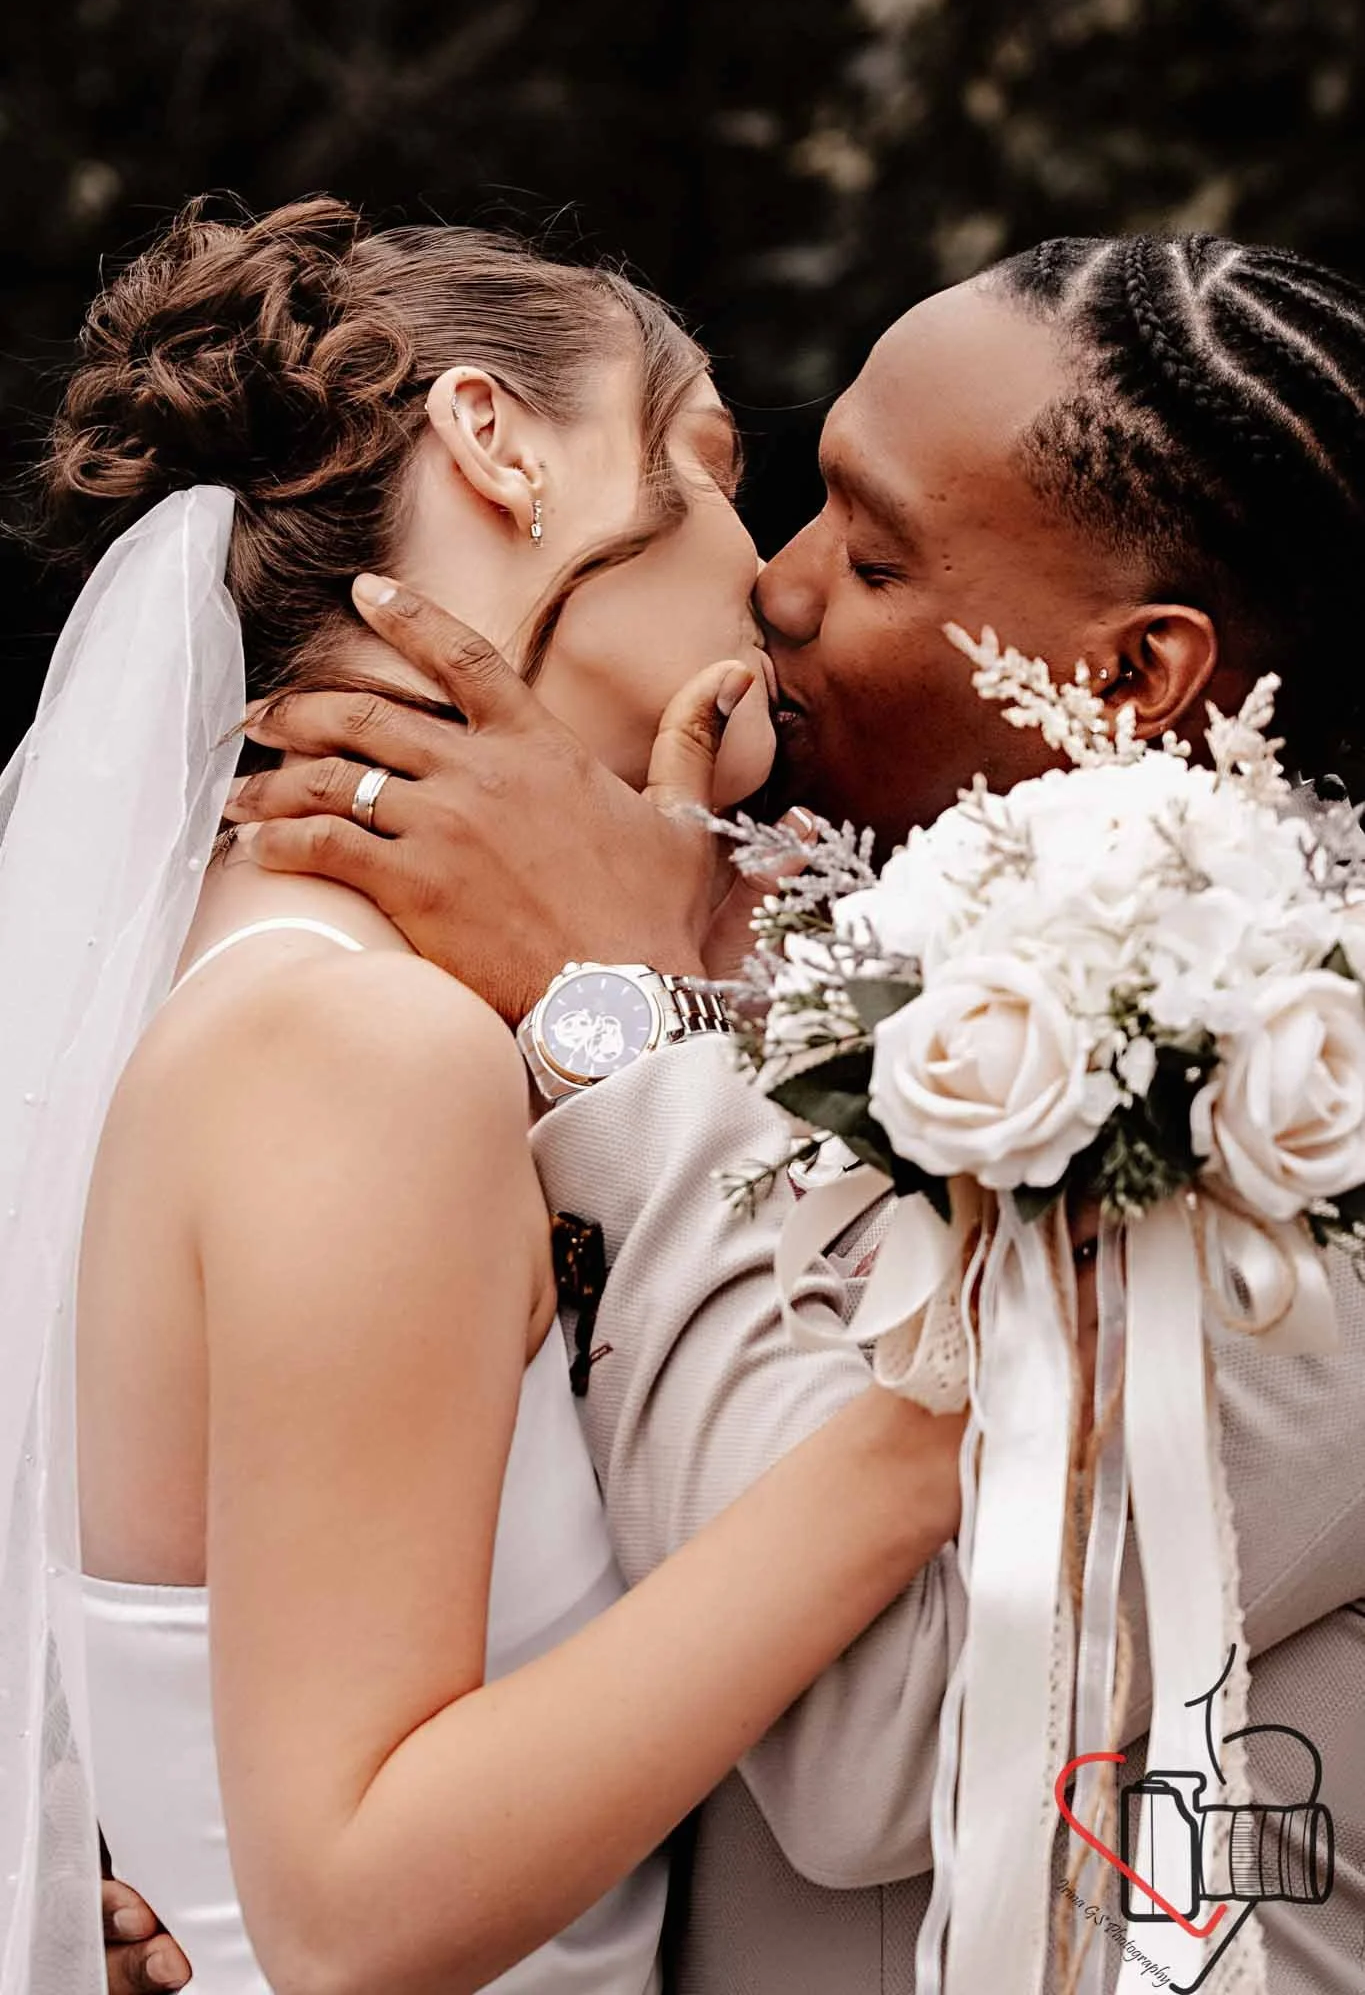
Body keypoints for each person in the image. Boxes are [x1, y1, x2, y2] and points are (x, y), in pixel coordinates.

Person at [174, 232, 1365, 1995]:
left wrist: (621, 1033)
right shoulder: (607, 949)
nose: (782, 587)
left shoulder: (1292, 1090)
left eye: (874, 557)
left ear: (1135, 678)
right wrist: (152, 1838)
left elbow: (874, 1744)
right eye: (797, 504)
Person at [1, 194, 972, 1995]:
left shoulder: (319, 996)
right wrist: (927, 1447)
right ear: (494, 443)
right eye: (704, 453)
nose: (768, 576)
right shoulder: (356, 1051)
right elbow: (355, 1911)